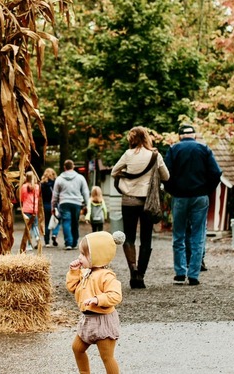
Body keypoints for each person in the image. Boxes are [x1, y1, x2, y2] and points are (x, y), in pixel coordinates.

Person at [111, 126, 169, 289]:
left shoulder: (128, 155)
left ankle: (133, 269)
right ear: (146, 137)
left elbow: (114, 171)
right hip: (148, 203)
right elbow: (166, 176)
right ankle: (141, 275)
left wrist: (127, 176)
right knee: (146, 237)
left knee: (129, 236)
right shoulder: (155, 155)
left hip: (129, 200)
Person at [164, 124, 221, 286]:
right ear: (194, 135)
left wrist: (173, 190)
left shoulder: (174, 149)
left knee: (179, 235)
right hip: (200, 197)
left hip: (180, 197)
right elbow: (216, 173)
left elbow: (165, 174)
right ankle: (194, 274)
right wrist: (206, 190)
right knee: (198, 234)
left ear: (179, 136)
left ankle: (180, 272)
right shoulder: (204, 149)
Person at [67, 230, 125, 374]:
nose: (79, 257)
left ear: (96, 256)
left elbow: (116, 296)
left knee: (106, 356)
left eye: (83, 254)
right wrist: (74, 272)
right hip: (87, 320)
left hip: (103, 322)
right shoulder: (85, 272)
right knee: (77, 348)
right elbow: (72, 287)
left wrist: (98, 299)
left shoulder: (107, 276)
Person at [52, 160, 90, 250]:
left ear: (64, 167)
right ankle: (74, 243)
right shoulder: (80, 178)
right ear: (73, 167)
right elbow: (85, 191)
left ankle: (68, 243)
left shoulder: (59, 179)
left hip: (64, 203)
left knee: (66, 222)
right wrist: (86, 204)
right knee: (75, 222)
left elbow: (55, 193)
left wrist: (54, 205)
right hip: (77, 203)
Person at [19, 171, 41, 252]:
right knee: (35, 225)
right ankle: (37, 237)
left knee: (28, 228)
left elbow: (21, 198)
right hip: (34, 209)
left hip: (26, 209)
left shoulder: (24, 187)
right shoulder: (37, 187)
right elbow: (38, 196)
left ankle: (29, 245)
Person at [41, 168, 58, 247]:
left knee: (46, 223)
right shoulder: (56, 183)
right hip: (54, 205)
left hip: (45, 205)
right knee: (56, 221)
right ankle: (54, 234)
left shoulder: (42, 184)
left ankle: (47, 242)